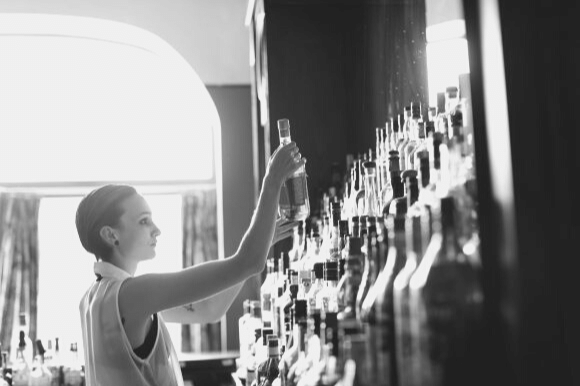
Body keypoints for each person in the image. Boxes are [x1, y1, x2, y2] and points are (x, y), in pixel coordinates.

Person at [76, 142, 305, 386]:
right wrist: (272, 180)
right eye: (144, 221)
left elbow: (210, 309)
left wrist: (262, 241)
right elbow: (248, 262)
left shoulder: (96, 297)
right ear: (111, 235)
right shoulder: (133, 293)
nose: (157, 230)